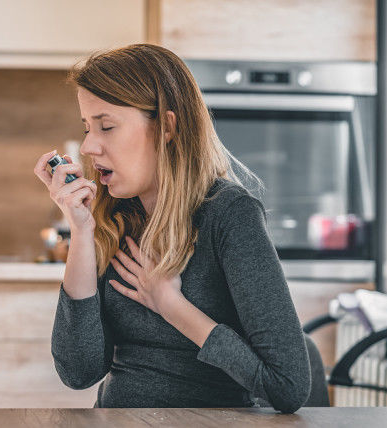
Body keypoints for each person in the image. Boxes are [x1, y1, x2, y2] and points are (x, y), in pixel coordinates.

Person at [32, 43, 311, 414]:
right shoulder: (115, 217)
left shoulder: (230, 215)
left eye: (107, 126)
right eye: (87, 127)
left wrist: (171, 305)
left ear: (167, 126)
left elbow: (288, 387)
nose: (88, 145)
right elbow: (78, 372)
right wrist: (82, 233)